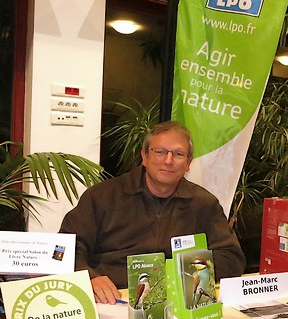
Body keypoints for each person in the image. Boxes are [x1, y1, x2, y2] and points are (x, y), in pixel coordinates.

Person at [60, 120, 246, 305]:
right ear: (144, 156)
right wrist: (89, 278)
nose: (168, 160)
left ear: (188, 163)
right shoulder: (102, 196)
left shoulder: (204, 203)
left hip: (177, 299)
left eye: (178, 154)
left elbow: (231, 258)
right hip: (113, 299)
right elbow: (65, 248)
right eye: (160, 152)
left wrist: (183, 276)